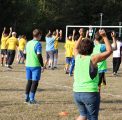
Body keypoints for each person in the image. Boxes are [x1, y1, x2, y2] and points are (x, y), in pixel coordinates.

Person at [73, 29, 112, 120]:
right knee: (92, 117)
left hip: (77, 93)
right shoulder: (93, 58)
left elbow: (75, 48)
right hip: (90, 93)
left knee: (83, 115)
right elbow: (109, 51)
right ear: (92, 48)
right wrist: (105, 36)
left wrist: (81, 36)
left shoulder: (77, 57)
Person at [25, 29, 44, 104]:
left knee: (29, 81)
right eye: (41, 35)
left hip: (28, 65)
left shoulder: (28, 43)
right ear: (38, 35)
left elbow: (24, 53)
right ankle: (32, 99)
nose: (41, 37)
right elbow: (39, 55)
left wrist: (27, 60)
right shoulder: (38, 44)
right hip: (35, 65)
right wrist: (42, 65)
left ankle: (26, 98)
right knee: (34, 83)